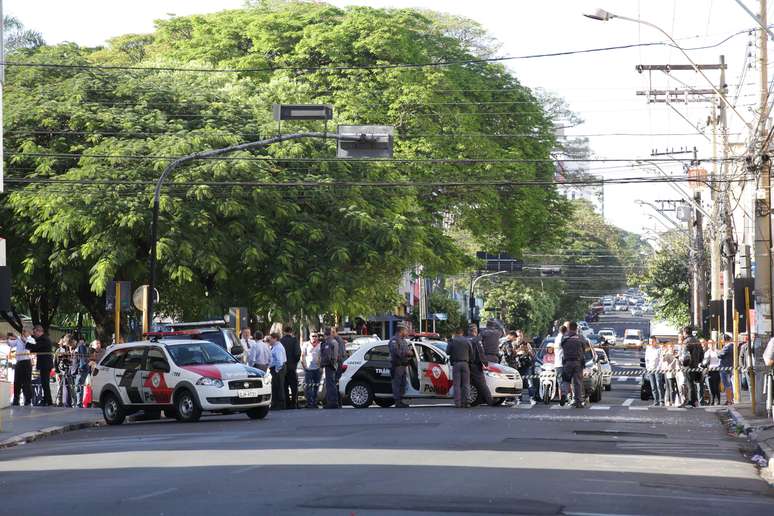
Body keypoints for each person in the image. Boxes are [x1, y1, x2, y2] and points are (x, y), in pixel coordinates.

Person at [467, 323, 496, 406]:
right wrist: (485, 363)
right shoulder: (476, 340)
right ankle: (489, 400)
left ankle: (473, 400)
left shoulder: (465, 339)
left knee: (469, 383)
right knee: (482, 383)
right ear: (475, 331)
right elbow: (481, 353)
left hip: (466, 365)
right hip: (475, 365)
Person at [560, 321, 585, 408]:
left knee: (566, 380)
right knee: (577, 382)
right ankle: (578, 402)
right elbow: (584, 349)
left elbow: (561, 346)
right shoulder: (580, 337)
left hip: (567, 362)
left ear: (569, 328)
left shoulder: (564, 337)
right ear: (576, 328)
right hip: (577, 362)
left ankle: (563, 394)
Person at [388, 323, 412, 408]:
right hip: (397, 366)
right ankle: (397, 402)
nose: (407, 332)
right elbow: (396, 352)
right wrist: (407, 353)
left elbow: (408, 352)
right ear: (401, 331)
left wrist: (410, 353)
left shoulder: (403, 341)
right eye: (406, 330)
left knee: (402, 384)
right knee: (397, 385)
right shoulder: (394, 340)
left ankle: (400, 401)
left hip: (403, 366)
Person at [29, 325, 54, 406]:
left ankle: (48, 401)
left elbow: (35, 347)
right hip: (45, 364)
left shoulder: (43, 339)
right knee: (44, 383)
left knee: (45, 383)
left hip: (45, 364)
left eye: (35, 332)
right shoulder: (43, 338)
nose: (34, 334)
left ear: (39, 331)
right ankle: (47, 399)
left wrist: (26, 342)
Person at [446, 328, 471, 408]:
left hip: (456, 364)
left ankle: (458, 403)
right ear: (462, 333)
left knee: (456, 385)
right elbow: (471, 351)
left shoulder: (452, 341)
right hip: (465, 364)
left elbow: (447, 352)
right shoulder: (467, 340)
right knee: (466, 384)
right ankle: (466, 402)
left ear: (455, 333)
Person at [681, 326, 704, 408]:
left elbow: (685, 355)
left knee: (689, 383)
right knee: (693, 384)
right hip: (695, 365)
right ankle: (694, 400)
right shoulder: (697, 340)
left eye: (683, 332)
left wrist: (683, 364)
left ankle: (691, 401)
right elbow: (702, 353)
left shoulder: (686, 341)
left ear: (685, 332)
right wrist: (698, 362)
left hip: (688, 366)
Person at [280, 326, 301, 409]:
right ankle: (294, 403)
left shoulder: (281, 341)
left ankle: (286, 402)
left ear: (284, 332)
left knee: (285, 385)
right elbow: (297, 353)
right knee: (293, 385)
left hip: (283, 365)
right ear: (291, 332)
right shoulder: (294, 340)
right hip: (292, 366)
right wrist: (295, 362)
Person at [320, 327, 341, 409]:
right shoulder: (335, 341)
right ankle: (334, 402)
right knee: (332, 384)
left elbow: (328, 356)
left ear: (325, 334)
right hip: (334, 365)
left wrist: (322, 364)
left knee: (330, 385)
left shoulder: (329, 342)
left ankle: (332, 403)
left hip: (329, 365)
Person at [11, 329, 33, 406]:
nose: (23, 332)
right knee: (17, 381)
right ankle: (16, 400)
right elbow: (11, 344)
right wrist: (8, 338)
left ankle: (27, 400)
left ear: (29, 332)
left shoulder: (31, 339)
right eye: (22, 331)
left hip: (26, 362)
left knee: (26, 382)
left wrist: (21, 338)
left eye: (25, 331)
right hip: (19, 362)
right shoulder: (18, 339)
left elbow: (29, 346)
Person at [301, 332, 322, 408]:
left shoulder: (320, 344)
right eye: (313, 336)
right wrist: (304, 366)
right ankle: (309, 402)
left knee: (316, 386)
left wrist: (320, 367)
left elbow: (322, 356)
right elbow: (302, 355)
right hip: (308, 369)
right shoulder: (306, 344)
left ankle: (315, 402)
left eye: (316, 336)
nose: (314, 337)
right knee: (308, 386)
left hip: (317, 369)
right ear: (309, 337)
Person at [267, 333, 287, 410]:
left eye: (270, 339)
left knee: (279, 386)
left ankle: (280, 404)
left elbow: (279, 361)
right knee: (275, 386)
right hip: (276, 368)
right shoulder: (275, 347)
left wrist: (277, 369)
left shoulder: (278, 347)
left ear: (275, 338)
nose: (269, 341)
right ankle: (275, 403)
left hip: (278, 368)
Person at [71, 336, 90, 408]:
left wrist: (80, 368)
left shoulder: (81, 346)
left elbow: (82, 358)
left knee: (78, 386)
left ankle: (78, 404)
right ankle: (78, 403)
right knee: (78, 386)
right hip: (81, 369)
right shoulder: (80, 347)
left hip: (81, 370)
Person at [54, 336, 73, 407]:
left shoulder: (69, 349)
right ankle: (59, 403)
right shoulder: (59, 350)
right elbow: (56, 361)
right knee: (60, 387)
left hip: (67, 370)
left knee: (68, 387)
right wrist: (57, 371)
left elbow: (69, 360)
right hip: (61, 371)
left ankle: (68, 403)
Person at [717, 335, 735, 405]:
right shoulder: (731, 346)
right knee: (729, 384)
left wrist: (718, 351)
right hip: (727, 367)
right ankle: (730, 399)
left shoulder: (728, 347)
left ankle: (729, 400)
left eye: (721, 340)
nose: (721, 342)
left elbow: (719, 355)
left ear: (724, 340)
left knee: (727, 384)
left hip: (725, 368)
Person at [644, 337, 663, 407]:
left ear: (655, 342)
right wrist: (647, 367)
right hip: (650, 369)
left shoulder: (659, 349)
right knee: (653, 386)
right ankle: (656, 401)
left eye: (652, 341)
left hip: (657, 369)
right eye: (650, 341)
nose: (651, 343)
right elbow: (646, 359)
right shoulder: (648, 349)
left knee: (659, 385)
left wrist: (658, 368)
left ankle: (661, 400)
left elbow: (661, 359)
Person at [703, 339, 721, 405]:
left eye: (712, 343)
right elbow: (704, 362)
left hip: (716, 370)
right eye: (709, 344)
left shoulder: (717, 351)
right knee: (711, 387)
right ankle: (712, 400)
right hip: (710, 371)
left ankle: (718, 400)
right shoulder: (707, 352)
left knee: (716, 386)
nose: (711, 345)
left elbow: (720, 360)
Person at [554, 326, 566, 399]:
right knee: (564, 381)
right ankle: (563, 397)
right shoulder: (563, 338)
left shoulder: (557, 338)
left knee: (560, 382)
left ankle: (562, 397)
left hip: (558, 363)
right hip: (562, 363)